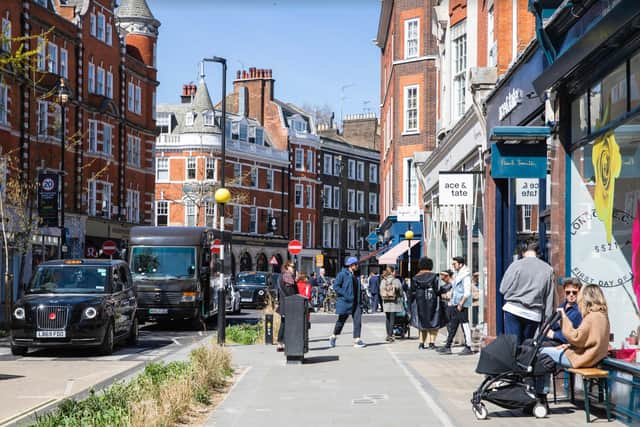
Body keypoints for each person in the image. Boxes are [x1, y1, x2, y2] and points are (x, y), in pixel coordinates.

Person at [500, 240, 555, 345]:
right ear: (538, 252)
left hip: (513, 309)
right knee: (526, 347)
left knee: (512, 347)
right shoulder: (548, 269)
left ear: (523, 251)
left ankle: (513, 361)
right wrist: (547, 319)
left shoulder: (516, 265)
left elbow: (503, 288)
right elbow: (549, 297)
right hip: (533, 313)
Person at [438, 256, 474, 355]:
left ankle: (468, 347)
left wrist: (461, 304)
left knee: (465, 324)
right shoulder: (459, 274)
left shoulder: (465, 275)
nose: (453, 266)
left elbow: (467, 292)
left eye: (454, 264)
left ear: (461, 264)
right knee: (453, 325)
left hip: (461, 304)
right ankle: (448, 346)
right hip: (456, 303)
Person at [409, 257, 448, 350]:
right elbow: (438, 290)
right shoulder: (434, 277)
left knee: (422, 324)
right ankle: (432, 343)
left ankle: (421, 343)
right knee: (434, 322)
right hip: (433, 303)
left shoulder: (415, 278)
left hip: (419, 303)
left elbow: (411, 292)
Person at [329, 256, 365, 348]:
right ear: (350, 265)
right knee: (341, 321)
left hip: (356, 302)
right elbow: (336, 286)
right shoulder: (342, 274)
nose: (357, 266)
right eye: (356, 264)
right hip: (346, 302)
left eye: (357, 264)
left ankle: (357, 340)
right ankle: (333, 336)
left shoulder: (356, 275)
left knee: (358, 321)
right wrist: (345, 294)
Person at [545, 278, 583, 345]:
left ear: (579, 292)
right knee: (528, 343)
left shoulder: (580, 311)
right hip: (550, 339)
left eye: (574, 292)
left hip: (564, 344)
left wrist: (554, 335)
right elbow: (553, 324)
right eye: (568, 292)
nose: (571, 295)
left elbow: (576, 335)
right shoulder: (562, 306)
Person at [276, 261, 297, 352]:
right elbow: (283, 291)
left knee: (286, 323)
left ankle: (283, 342)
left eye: (294, 266)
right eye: (292, 267)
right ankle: (280, 342)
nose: (293, 268)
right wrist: (290, 300)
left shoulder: (290, 278)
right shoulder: (283, 277)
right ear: (287, 267)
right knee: (284, 323)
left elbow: (295, 291)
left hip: (291, 303)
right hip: (286, 304)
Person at [380, 265, 403, 342]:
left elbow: (381, 291)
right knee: (392, 318)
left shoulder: (383, 280)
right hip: (394, 302)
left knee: (387, 318)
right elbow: (401, 291)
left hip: (386, 302)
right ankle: (390, 335)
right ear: (393, 272)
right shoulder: (396, 280)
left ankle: (388, 334)